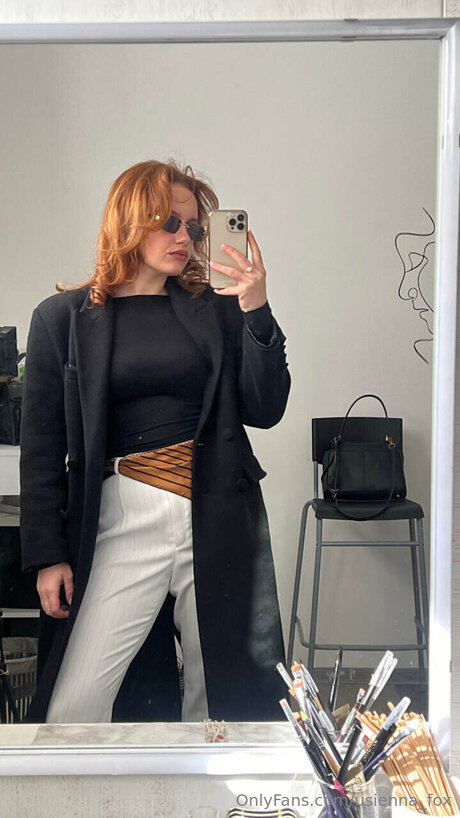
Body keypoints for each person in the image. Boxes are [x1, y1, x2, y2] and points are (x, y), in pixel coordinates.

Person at [20, 159, 291, 724]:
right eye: (169, 222)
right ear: (129, 220)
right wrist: (49, 554)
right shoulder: (63, 318)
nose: (184, 237)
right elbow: (41, 446)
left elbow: (266, 409)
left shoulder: (217, 308)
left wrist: (256, 308)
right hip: (121, 515)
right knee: (72, 708)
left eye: (193, 227)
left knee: (221, 706)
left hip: (217, 512)